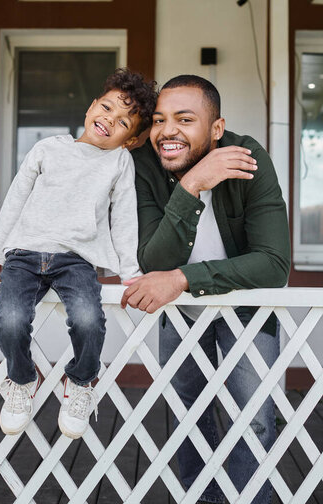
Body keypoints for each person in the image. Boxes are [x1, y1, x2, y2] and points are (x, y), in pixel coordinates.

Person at [121, 75, 291, 504]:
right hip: (181, 316)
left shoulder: (249, 157)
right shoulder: (146, 163)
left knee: (252, 422)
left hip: (246, 314)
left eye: (184, 119)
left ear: (216, 129)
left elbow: (273, 265)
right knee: (186, 419)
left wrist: (183, 279)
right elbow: (153, 259)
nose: (167, 131)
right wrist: (193, 183)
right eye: (159, 120)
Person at [0, 68, 157, 439]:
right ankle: (22, 380)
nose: (109, 119)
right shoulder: (47, 149)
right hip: (23, 255)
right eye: (105, 107)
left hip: (75, 260)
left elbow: (124, 220)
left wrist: (130, 273)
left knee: (89, 320)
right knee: (10, 320)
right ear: (91, 106)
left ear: (131, 140)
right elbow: (13, 203)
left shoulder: (119, 163)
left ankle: (81, 381)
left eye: (123, 122)